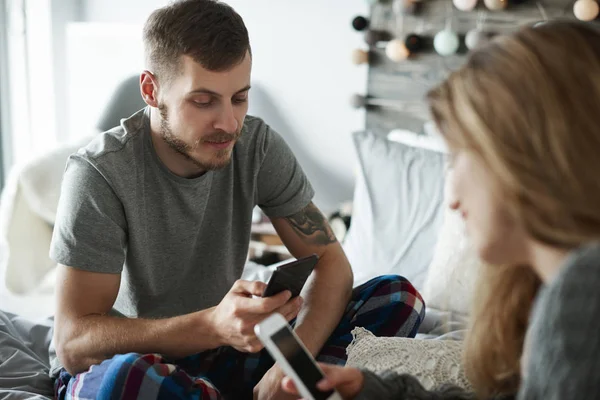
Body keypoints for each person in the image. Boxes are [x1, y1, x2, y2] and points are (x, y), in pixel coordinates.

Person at [48, 1, 425, 399]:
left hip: (224, 351)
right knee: (125, 379)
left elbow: (331, 264)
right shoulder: (100, 173)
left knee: (398, 297)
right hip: (140, 359)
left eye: (239, 98)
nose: (229, 124)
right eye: (203, 101)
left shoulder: (257, 146)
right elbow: (74, 345)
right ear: (150, 89)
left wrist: (288, 368)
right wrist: (211, 325)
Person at [282, 20, 600, 400]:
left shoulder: (584, 295)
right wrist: (375, 391)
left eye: (459, 157)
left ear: (523, 156)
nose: (451, 198)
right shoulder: (548, 292)